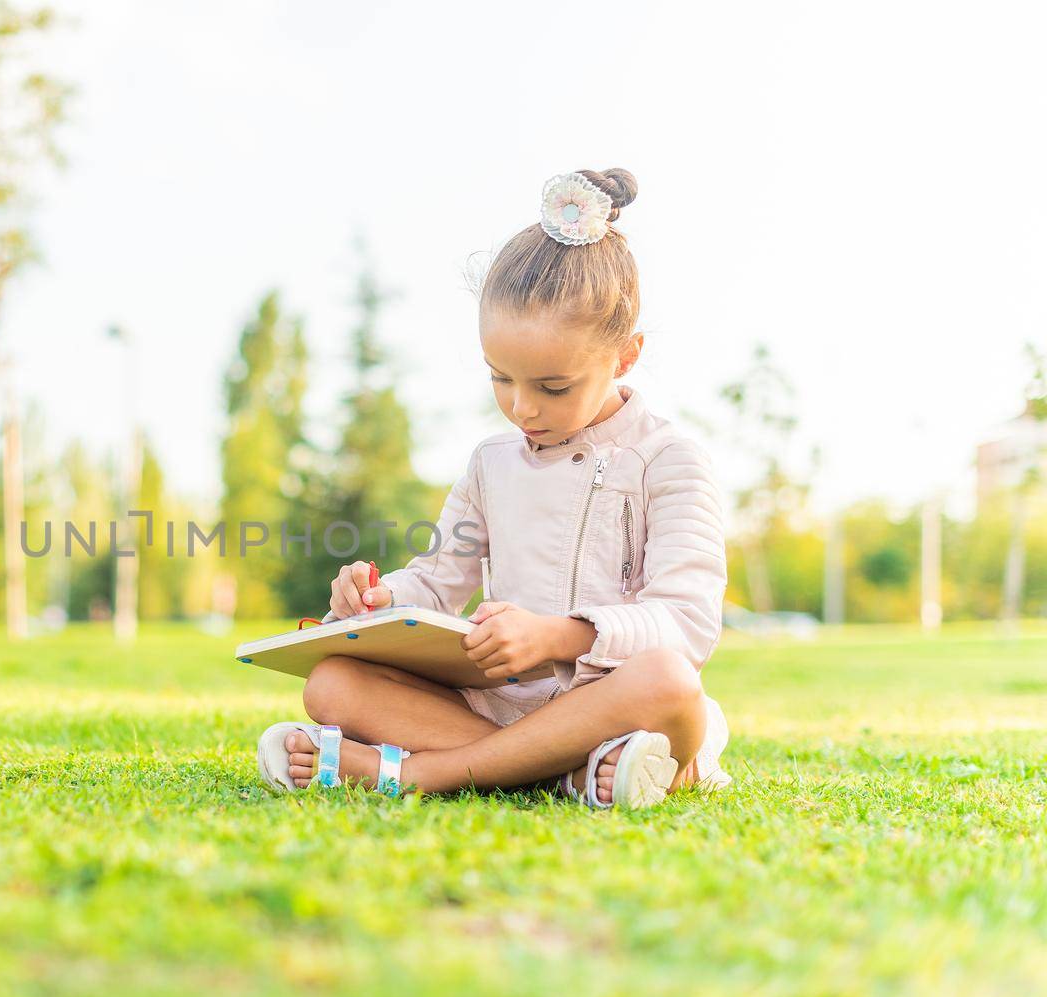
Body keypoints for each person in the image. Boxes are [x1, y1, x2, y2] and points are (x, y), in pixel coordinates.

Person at [257, 168, 732, 809]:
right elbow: (437, 581)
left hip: (618, 706)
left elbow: (686, 624)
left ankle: (418, 774)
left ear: (625, 355)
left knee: (671, 680)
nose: (522, 408)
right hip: (496, 707)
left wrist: (558, 636)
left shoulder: (670, 460)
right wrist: (379, 597)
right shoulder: (490, 463)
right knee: (332, 683)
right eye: (500, 378)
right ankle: (563, 776)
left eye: (553, 387)